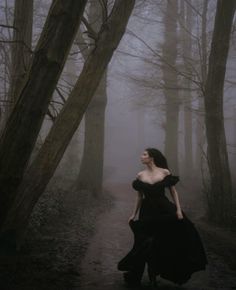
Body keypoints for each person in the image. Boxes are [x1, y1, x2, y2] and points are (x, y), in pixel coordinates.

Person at [117, 148, 208, 288]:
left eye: (144, 154)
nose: (141, 156)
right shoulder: (140, 175)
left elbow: (173, 192)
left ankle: (156, 273)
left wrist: (178, 210)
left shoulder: (164, 172)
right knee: (144, 243)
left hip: (164, 210)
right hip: (147, 212)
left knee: (162, 241)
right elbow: (139, 197)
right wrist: (133, 214)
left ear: (152, 157)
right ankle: (143, 273)